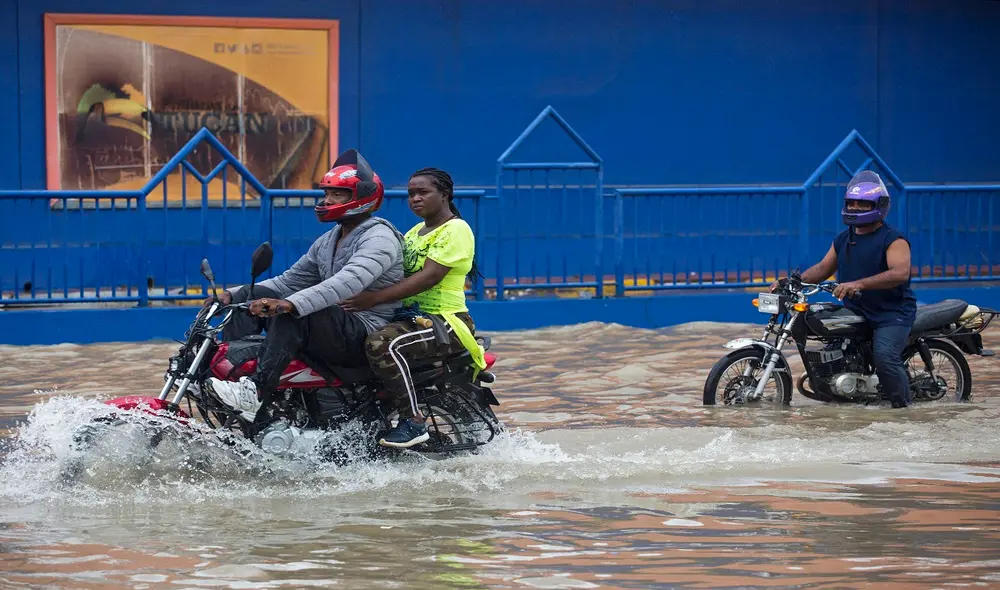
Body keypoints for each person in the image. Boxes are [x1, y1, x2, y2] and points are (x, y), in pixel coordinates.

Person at [202, 149, 406, 421]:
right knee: (252, 298)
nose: (327, 200)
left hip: (365, 331)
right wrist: (234, 294)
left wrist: (291, 303)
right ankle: (239, 378)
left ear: (362, 197)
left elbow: (349, 281)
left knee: (296, 312)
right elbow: (290, 281)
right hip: (337, 326)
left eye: (337, 195)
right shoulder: (329, 240)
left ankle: (258, 390)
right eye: (326, 194)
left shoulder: (380, 237)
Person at [339, 167, 486, 448]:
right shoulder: (415, 232)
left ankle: (413, 420)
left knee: (381, 344)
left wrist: (374, 298)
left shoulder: (456, 229)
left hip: (444, 322)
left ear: (445, 195)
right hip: (410, 318)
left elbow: (428, 277)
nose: (415, 199)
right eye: (410, 194)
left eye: (423, 192)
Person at [772, 170, 916, 408]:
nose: (856, 207)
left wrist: (858, 284)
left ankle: (903, 411)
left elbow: (900, 273)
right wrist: (790, 282)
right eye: (852, 203)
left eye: (863, 203)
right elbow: (822, 269)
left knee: (885, 358)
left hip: (892, 314)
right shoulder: (843, 239)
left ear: (880, 206)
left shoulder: (894, 239)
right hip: (858, 311)